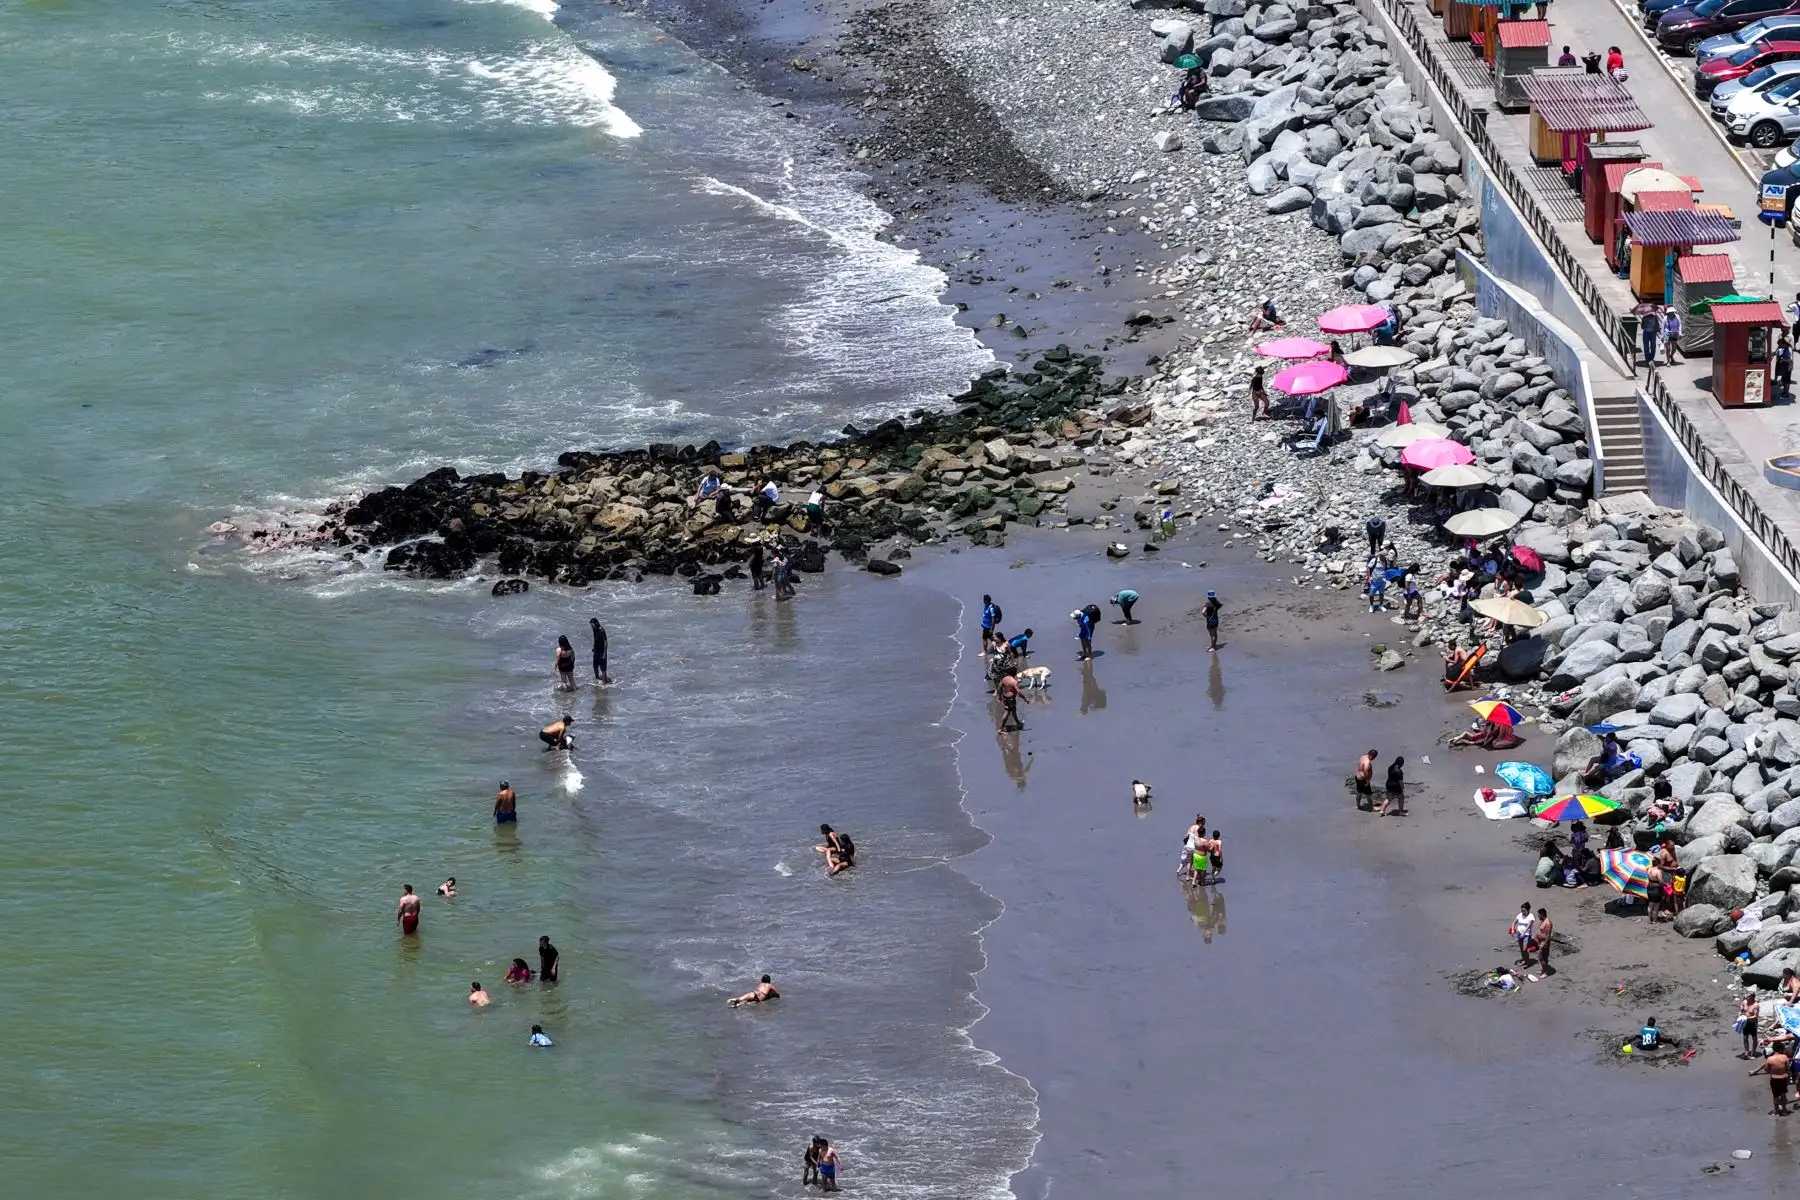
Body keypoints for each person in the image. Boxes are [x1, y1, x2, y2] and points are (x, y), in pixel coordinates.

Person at [1753, 1044, 1793, 1115]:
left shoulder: (1770, 1059)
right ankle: (1784, 1110)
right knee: (1783, 1094)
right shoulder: (1785, 1057)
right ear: (1781, 1049)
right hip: (1783, 1078)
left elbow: (1767, 1070)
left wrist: (1773, 1071)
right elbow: (1788, 1069)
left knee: (1775, 1096)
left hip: (1774, 1079)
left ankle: (1776, 1111)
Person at [1511, 902, 1536, 967]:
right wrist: (1513, 929)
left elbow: (1529, 925)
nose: (1522, 912)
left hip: (1527, 935)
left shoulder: (1531, 916)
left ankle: (1527, 962)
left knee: (1525, 949)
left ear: (1528, 910)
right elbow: (1514, 922)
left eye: (1524, 911)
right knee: (1521, 949)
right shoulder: (1520, 915)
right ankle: (1524, 960)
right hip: (1519, 933)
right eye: (1522, 910)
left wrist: (1524, 932)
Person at [1639, 307, 1660, 377]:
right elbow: (1642, 327)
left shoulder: (1655, 317)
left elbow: (1657, 325)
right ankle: (1647, 360)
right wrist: (1645, 323)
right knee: (1646, 346)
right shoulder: (1644, 318)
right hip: (1646, 333)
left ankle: (1651, 358)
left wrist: (1657, 330)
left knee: (1653, 346)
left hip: (1653, 333)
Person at [1741, 990, 1762, 1058]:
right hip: (1745, 1023)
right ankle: (1746, 1051)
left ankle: (1753, 1052)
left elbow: (1755, 1016)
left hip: (1752, 1023)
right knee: (1745, 1038)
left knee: (1754, 1038)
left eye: (1748, 996)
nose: (1746, 997)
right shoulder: (1744, 1002)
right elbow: (1741, 1010)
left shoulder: (1755, 1005)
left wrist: (1747, 1017)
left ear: (1752, 997)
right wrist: (1740, 1015)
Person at [1535, 907, 1554, 975]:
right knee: (1541, 957)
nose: (1538, 916)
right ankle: (1543, 970)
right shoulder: (1542, 921)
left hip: (1544, 942)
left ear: (1542, 914)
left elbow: (1548, 935)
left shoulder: (1548, 923)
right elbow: (1540, 931)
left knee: (1542, 957)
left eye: (1539, 915)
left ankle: (1545, 972)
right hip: (1540, 941)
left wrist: (1544, 944)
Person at [589, 617, 609, 683]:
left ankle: (604, 683)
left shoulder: (602, 631)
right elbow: (596, 639)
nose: (591, 627)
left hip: (602, 652)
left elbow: (605, 642)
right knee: (595, 666)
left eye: (592, 625)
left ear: (596, 623)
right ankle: (598, 679)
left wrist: (605, 653)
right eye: (591, 625)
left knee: (603, 669)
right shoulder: (594, 630)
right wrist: (594, 648)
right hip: (596, 651)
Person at [1778, 335, 1794, 401]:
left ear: (1784, 344)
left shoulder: (1789, 349)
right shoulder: (1784, 348)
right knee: (1784, 380)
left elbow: (1790, 359)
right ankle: (1784, 392)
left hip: (1788, 368)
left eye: (1781, 345)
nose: (1780, 346)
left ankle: (1786, 394)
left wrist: (1783, 360)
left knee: (1786, 381)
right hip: (1784, 367)